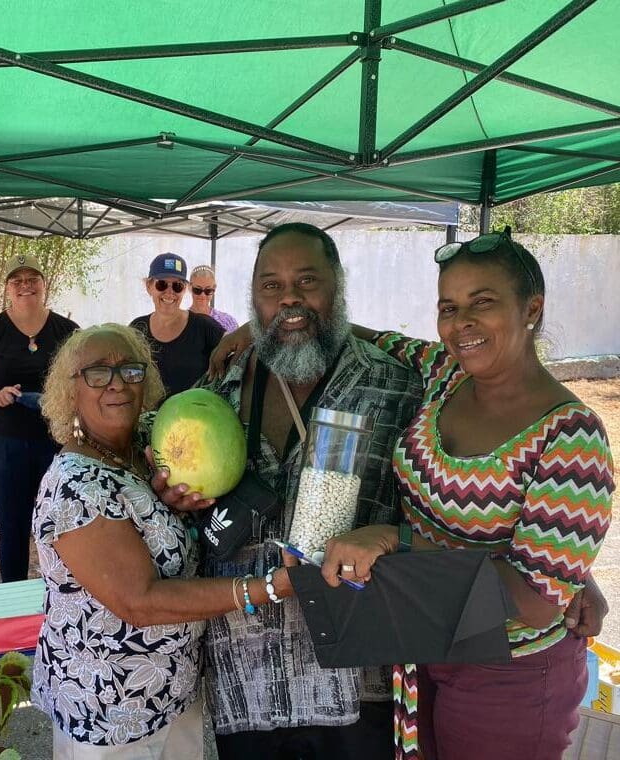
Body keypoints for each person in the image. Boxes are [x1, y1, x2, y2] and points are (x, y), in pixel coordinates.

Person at [311, 228, 615, 760]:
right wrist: (253, 329)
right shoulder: (446, 374)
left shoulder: (571, 437)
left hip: (509, 672)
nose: (461, 323)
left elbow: (533, 601)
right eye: (448, 308)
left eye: (483, 302)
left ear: (532, 308)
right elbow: (376, 338)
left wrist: (397, 540)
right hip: (426, 640)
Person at [154, 222, 425, 759]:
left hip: (355, 681)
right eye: (271, 286)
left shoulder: (396, 386)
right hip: (246, 682)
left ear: (337, 284)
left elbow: (446, 507)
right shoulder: (217, 391)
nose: (289, 299)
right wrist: (174, 498)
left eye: (307, 281)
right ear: (253, 297)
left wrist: (562, 572)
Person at [32, 323, 294, 759]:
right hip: (111, 711)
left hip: (173, 694)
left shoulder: (148, 442)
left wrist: (252, 330)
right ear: (70, 391)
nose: (117, 383)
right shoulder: (75, 487)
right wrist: (266, 587)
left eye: (130, 370)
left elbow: (206, 409)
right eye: (97, 372)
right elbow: (141, 602)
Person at [0, 253, 78, 582]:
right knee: (12, 527)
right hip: (4, 446)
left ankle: (64, 593)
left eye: (32, 279)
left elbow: (83, 382)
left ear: (44, 284)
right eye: (17, 281)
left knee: (61, 524)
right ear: (7, 288)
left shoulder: (68, 332)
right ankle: (14, 597)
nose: (25, 286)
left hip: (57, 444)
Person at [130, 253, 224, 395]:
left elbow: (237, 355)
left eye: (177, 286)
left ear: (185, 289)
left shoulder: (204, 327)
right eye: (161, 284)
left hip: (195, 409)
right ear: (149, 286)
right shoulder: (138, 328)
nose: (169, 293)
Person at [189, 264, 239, 332]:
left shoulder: (228, 322)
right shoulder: (181, 321)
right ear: (190, 287)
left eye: (208, 290)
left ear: (214, 289)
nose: (203, 295)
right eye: (197, 290)